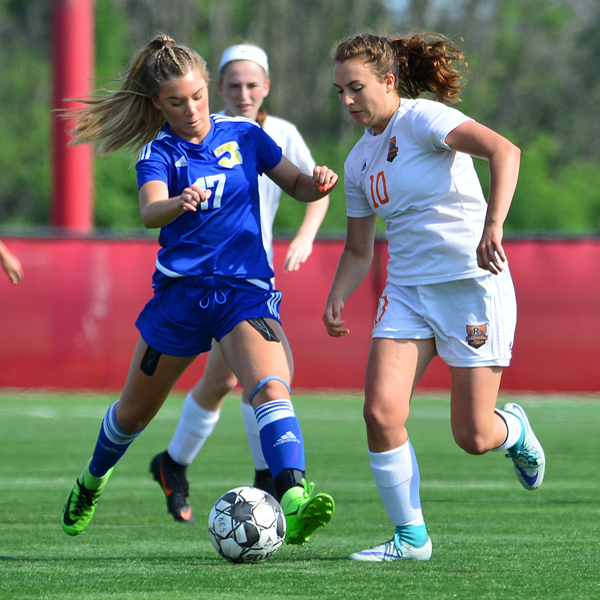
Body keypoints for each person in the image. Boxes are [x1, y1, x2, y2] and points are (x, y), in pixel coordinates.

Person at [61, 35, 336, 547]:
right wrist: (178, 201)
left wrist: (316, 183)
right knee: (132, 414)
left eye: (197, 97)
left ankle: (295, 498)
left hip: (242, 292)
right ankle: (91, 481)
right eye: (175, 102)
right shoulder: (158, 152)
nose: (190, 110)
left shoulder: (246, 135)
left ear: (209, 88)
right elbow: (150, 211)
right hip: (181, 299)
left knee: (270, 387)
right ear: (156, 104)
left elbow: (296, 184)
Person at [324, 33, 545, 562]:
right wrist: (337, 295)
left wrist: (493, 226)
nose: (348, 100)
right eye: (340, 91)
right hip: (407, 292)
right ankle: (411, 539)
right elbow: (358, 249)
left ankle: (514, 429)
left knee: (473, 436)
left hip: (470, 284)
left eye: (356, 87)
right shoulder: (358, 161)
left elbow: (505, 151)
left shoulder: (423, 119)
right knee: (380, 413)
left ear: (389, 82)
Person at [149, 43, 330, 524]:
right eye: (234, 86)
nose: (244, 94)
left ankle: (175, 464)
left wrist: (305, 236)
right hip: (214, 280)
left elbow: (311, 188)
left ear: (267, 86)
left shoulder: (278, 133)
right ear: (218, 89)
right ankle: (267, 477)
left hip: (252, 277)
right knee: (253, 379)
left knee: (229, 380)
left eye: (252, 85)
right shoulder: (202, 132)